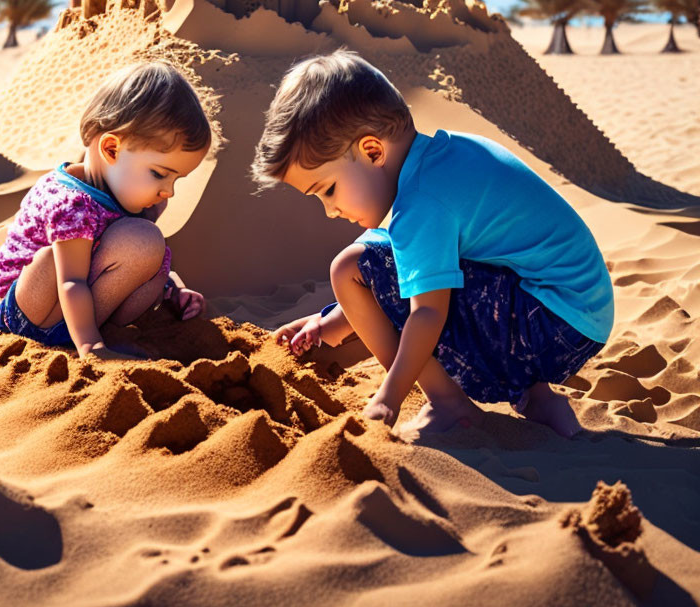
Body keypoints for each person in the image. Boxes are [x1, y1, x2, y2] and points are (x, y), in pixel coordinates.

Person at [253, 50, 613, 438]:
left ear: (372, 151)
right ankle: (539, 400)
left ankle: (447, 404)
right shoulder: (449, 157)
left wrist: (388, 398)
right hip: (577, 317)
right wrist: (327, 324)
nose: (330, 210)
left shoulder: (422, 203)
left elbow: (427, 313)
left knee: (350, 266)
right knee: (391, 254)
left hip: (544, 323)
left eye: (328, 189)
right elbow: (421, 271)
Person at [0, 61, 211, 360]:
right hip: (28, 312)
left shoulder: (134, 195)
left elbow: (123, 260)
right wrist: (92, 348)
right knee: (57, 260)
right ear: (111, 150)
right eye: (160, 174)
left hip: (84, 309)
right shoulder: (71, 202)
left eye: (176, 179)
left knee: (148, 249)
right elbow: (71, 281)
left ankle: (94, 333)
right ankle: (85, 340)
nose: (168, 191)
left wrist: (174, 289)